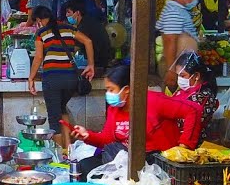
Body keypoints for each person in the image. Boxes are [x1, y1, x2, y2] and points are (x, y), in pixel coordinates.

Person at [65, 62, 201, 164]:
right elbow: (107, 139)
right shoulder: (114, 109)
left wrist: (184, 147)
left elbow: (193, 110)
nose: (108, 94)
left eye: (111, 89)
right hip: (133, 160)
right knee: (86, 165)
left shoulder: (153, 100)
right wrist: (87, 135)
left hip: (161, 160)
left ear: (126, 89)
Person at [27, 6, 97, 148]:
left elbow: (39, 57)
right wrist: (91, 65)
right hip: (70, 78)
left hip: (52, 79)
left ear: (39, 20)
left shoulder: (41, 33)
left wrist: (31, 78)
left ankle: (59, 157)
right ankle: (68, 149)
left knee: (54, 119)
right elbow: (88, 41)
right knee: (61, 110)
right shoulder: (68, 28)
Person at [157, 0, 204, 89]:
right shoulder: (174, 11)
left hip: (181, 69)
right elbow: (169, 40)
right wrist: (171, 70)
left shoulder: (180, 10)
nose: (196, 0)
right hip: (177, 70)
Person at [170, 51, 220, 143]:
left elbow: (185, 122)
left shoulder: (204, 97)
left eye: (182, 75)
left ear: (196, 76)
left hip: (193, 145)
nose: (179, 79)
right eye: (178, 76)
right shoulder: (182, 92)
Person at [64, 0, 110, 71]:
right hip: (102, 59)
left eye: (68, 12)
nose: (66, 15)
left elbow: (75, 48)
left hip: (98, 62)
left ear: (77, 13)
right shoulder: (88, 20)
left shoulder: (84, 26)